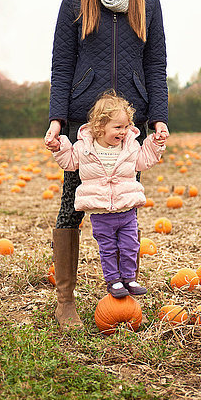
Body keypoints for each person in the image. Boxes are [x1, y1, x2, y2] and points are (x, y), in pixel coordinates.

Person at [44, 0, 169, 328]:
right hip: (85, 122)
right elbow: (62, 65)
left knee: (123, 207)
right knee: (72, 207)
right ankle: (66, 302)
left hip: (126, 125)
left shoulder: (148, 4)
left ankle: (119, 288)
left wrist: (158, 118)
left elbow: (156, 65)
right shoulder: (74, 2)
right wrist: (57, 119)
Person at [51, 92, 167, 299]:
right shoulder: (84, 148)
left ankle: (130, 278)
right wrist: (59, 147)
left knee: (130, 246)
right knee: (108, 249)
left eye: (126, 126)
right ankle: (113, 280)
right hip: (101, 212)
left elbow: (145, 160)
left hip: (126, 210)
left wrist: (156, 144)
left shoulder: (130, 147)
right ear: (100, 126)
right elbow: (68, 162)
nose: (123, 132)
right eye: (118, 127)